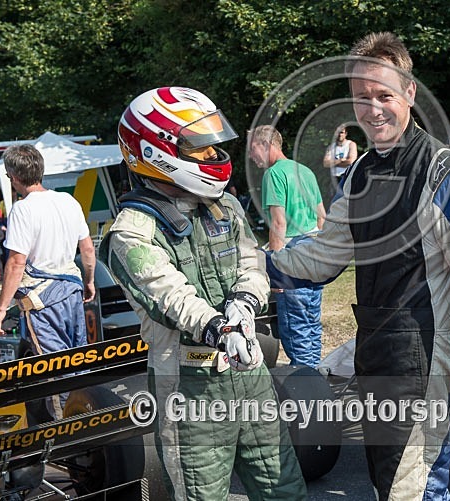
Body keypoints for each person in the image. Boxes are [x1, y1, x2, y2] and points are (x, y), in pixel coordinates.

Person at [266, 32, 450, 499]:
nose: (373, 109)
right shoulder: (359, 173)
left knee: (410, 489)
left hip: (423, 359)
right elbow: (323, 254)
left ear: (410, 93)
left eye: (384, 96)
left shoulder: (446, 175)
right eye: (361, 98)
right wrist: (259, 269)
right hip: (374, 352)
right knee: (393, 482)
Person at [101, 87, 306, 500]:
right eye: (201, 148)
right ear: (155, 150)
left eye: (215, 146)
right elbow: (166, 292)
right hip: (188, 386)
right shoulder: (131, 229)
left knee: (284, 489)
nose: (214, 157)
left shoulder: (224, 206)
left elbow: (252, 262)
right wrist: (218, 325)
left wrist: (245, 304)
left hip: (250, 375)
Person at [0, 144, 96, 416]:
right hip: (72, 289)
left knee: (55, 367)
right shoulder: (69, 201)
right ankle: (90, 418)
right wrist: (90, 280)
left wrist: (0, 311)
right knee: (78, 359)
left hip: (43, 299)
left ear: (14, 176)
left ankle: (67, 433)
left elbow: (16, 262)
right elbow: (88, 249)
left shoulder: (23, 209)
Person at [250, 125, 326, 368]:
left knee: (296, 328)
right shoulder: (305, 171)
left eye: (253, 150)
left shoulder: (273, 174)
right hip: (313, 252)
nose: (252, 157)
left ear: (265, 145)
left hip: (292, 258)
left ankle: (305, 389)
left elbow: (279, 223)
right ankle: (314, 377)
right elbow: (321, 217)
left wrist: (275, 265)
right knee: (311, 323)